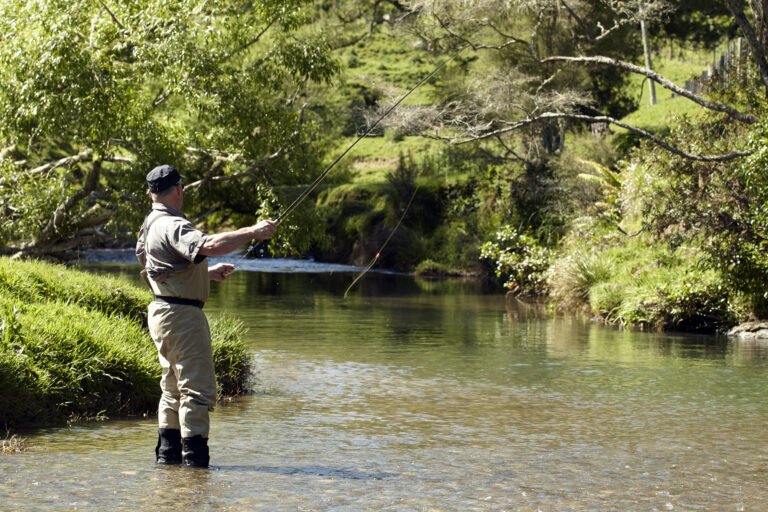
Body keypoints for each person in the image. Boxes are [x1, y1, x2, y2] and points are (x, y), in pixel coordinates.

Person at [135, 164, 277, 468]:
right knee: (196, 392)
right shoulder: (172, 224)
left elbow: (157, 268)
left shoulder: (150, 223)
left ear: (151, 192)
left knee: (171, 389)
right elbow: (209, 245)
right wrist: (253, 232)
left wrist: (205, 274)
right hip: (183, 316)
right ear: (178, 189)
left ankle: (167, 462)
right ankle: (195, 468)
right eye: (181, 188)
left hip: (161, 310)